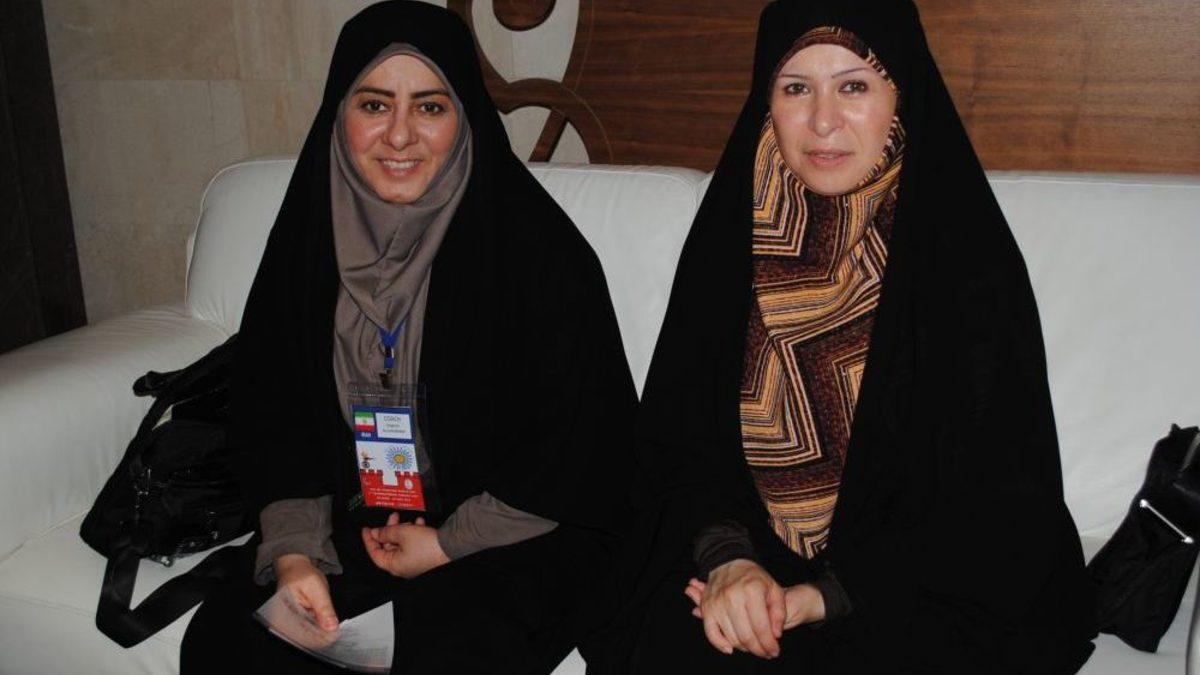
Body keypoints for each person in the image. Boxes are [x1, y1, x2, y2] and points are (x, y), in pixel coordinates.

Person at [584, 1, 1097, 672]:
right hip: (750, 560)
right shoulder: (728, 241)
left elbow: (993, 499)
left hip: (922, 578)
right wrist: (729, 561)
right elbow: (681, 449)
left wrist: (821, 597)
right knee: (673, 638)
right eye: (796, 88)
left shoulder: (968, 261)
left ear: (900, 94)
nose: (823, 121)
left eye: (853, 85)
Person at [180, 3, 637, 673]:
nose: (399, 135)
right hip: (359, 519)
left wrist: (447, 542)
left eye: (429, 107)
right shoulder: (305, 247)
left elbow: (581, 447)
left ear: (465, 117)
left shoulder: (540, 255)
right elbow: (274, 417)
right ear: (339, 116)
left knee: (446, 654)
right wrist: (296, 553)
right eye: (374, 105)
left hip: (510, 532)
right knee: (226, 639)